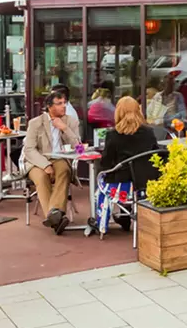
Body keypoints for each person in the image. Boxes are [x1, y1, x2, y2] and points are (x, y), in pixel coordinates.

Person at [92, 95, 160, 236]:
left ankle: (102, 224)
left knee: (103, 182)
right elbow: (155, 155)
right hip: (144, 186)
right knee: (129, 175)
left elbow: (106, 162)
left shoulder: (113, 135)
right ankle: (125, 216)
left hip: (119, 188)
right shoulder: (148, 133)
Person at [21, 89, 83, 229]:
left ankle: (53, 215)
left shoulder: (70, 121)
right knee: (42, 177)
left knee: (64, 172)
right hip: (37, 161)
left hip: (60, 158)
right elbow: (29, 149)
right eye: (59, 103)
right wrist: (45, 165)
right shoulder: (36, 123)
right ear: (50, 107)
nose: (63, 106)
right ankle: (56, 216)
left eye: (64, 103)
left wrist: (65, 128)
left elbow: (79, 149)